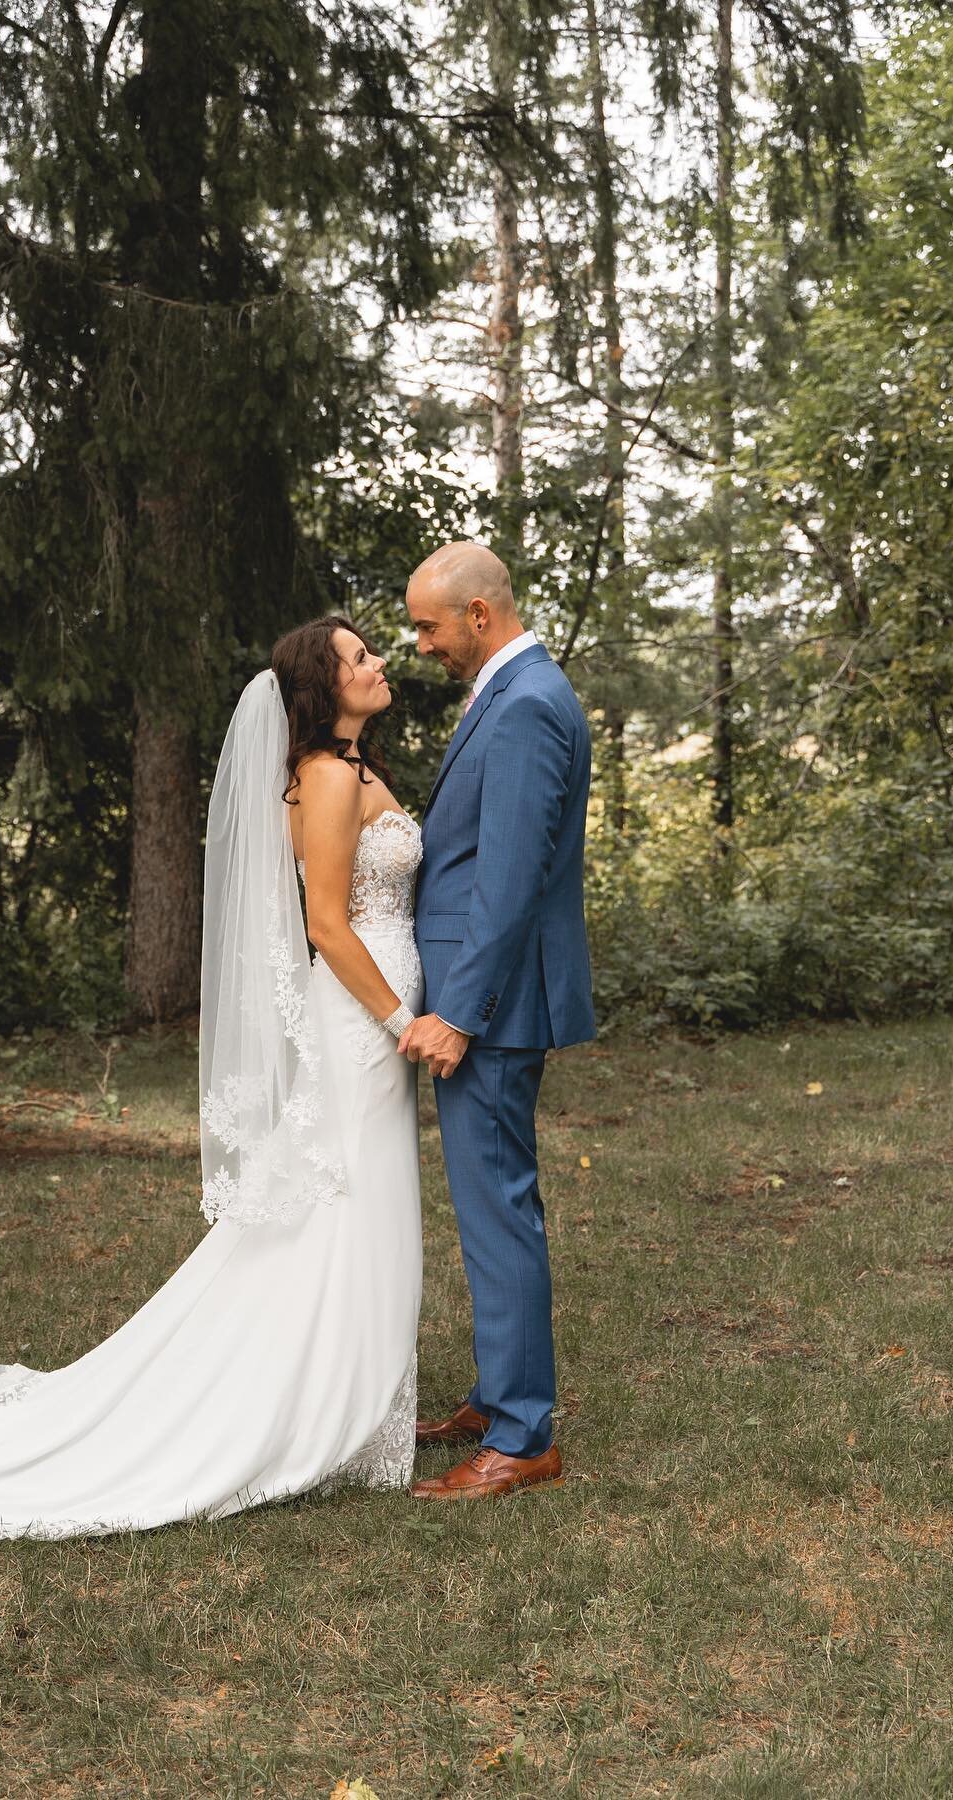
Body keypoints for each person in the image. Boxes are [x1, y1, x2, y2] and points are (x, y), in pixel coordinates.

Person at [0, 618, 425, 1544]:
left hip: (374, 1015)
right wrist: (403, 1020)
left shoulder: (356, 766)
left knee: (361, 1205)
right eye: (358, 658)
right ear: (320, 688)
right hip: (362, 1016)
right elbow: (328, 927)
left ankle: (354, 1396)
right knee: (346, 1205)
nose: (378, 663)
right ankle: (312, 1402)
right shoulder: (331, 780)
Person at [400, 541, 595, 1501]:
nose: (420, 644)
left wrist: (459, 1014)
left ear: (479, 614)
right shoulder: (513, 695)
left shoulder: (524, 707)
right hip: (494, 999)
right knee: (492, 1208)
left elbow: (510, 882)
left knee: (498, 1212)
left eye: (429, 626)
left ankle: (523, 1439)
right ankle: (497, 1396)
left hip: (495, 1006)